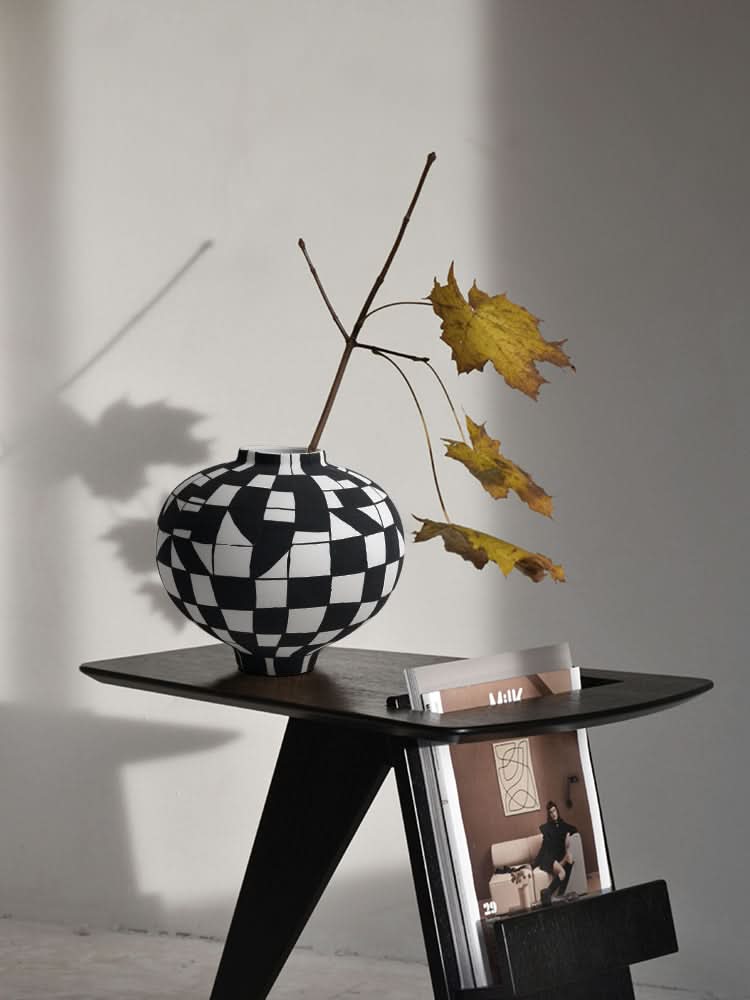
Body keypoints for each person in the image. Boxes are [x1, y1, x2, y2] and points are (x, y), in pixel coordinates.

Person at [534, 801, 577, 905]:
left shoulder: (563, 825)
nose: (553, 814)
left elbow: (574, 829)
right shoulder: (547, 828)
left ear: (557, 811)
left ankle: (561, 893)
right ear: (549, 815)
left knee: (570, 859)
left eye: (554, 811)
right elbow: (543, 849)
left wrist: (567, 835)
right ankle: (546, 897)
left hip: (557, 858)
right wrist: (534, 864)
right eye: (550, 812)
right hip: (547, 858)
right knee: (562, 872)